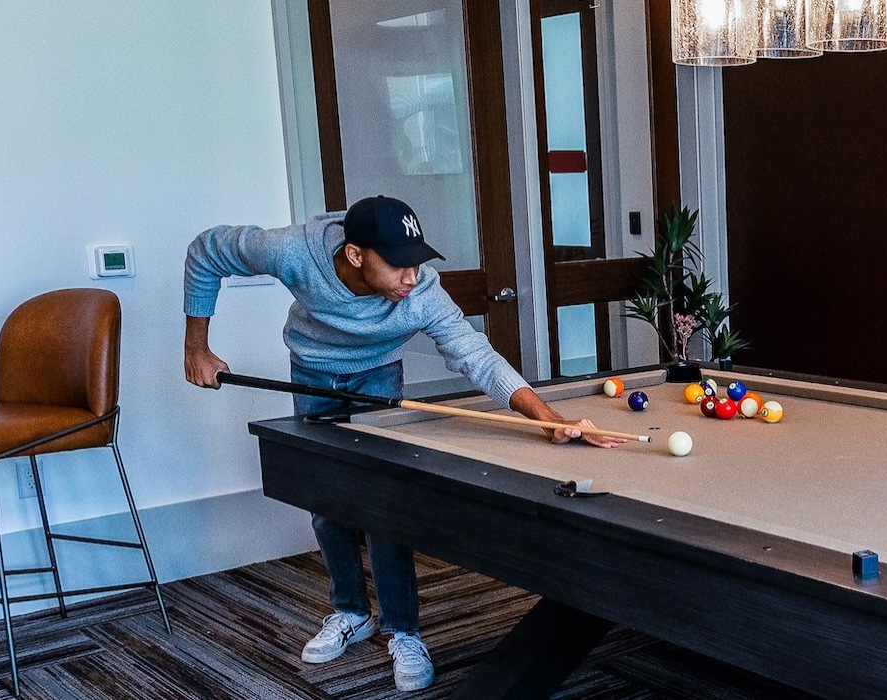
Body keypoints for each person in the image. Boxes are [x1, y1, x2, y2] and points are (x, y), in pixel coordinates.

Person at [182, 195, 624, 692]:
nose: (411, 278)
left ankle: (403, 630)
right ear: (355, 256)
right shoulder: (290, 251)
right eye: (398, 265)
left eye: (416, 263)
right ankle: (350, 612)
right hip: (310, 372)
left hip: (377, 376)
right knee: (326, 500)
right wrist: (196, 347)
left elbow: (475, 354)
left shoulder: (422, 291)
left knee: (383, 501)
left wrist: (547, 417)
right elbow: (206, 251)